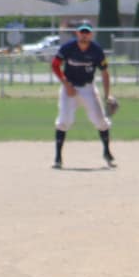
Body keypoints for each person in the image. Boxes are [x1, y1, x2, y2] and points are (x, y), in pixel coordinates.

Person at [51, 24, 116, 170]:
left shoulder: (96, 50)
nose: (84, 35)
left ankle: (107, 152)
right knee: (64, 121)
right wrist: (66, 84)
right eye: (82, 32)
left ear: (91, 35)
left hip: (88, 88)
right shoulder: (68, 47)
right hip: (69, 88)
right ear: (77, 34)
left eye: (87, 33)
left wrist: (107, 95)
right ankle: (58, 158)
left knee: (101, 121)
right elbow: (55, 65)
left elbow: (105, 73)